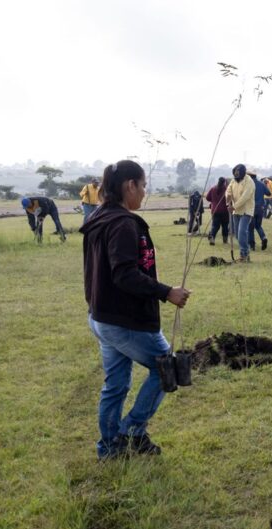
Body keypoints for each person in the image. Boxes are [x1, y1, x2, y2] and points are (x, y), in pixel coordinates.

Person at [80, 160, 191, 460]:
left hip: (101, 316)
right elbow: (125, 274)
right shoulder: (124, 224)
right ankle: (131, 433)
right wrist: (167, 292)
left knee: (115, 385)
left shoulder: (99, 217)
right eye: (143, 186)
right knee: (164, 368)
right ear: (130, 185)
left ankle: (109, 450)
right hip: (123, 320)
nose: (144, 193)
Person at [226, 164, 255, 262]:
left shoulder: (249, 181)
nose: (236, 175)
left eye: (238, 173)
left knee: (242, 232)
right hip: (235, 211)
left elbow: (245, 197)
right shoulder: (233, 180)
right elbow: (228, 191)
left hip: (246, 210)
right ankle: (245, 254)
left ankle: (244, 255)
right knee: (238, 235)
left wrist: (234, 206)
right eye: (235, 173)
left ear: (242, 173)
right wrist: (228, 198)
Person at [205, 176, 230, 246]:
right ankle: (225, 241)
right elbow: (229, 199)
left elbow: (207, 198)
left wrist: (213, 201)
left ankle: (212, 237)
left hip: (215, 210)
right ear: (224, 182)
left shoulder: (213, 188)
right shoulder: (226, 189)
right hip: (225, 211)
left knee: (215, 226)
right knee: (225, 226)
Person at [248, 171, 269, 251]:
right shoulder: (261, 184)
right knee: (258, 226)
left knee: (250, 228)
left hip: (251, 209)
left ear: (250, 176)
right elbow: (268, 193)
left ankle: (252, 245)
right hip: (260, 208)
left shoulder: (249, 185)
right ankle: (263, 237)